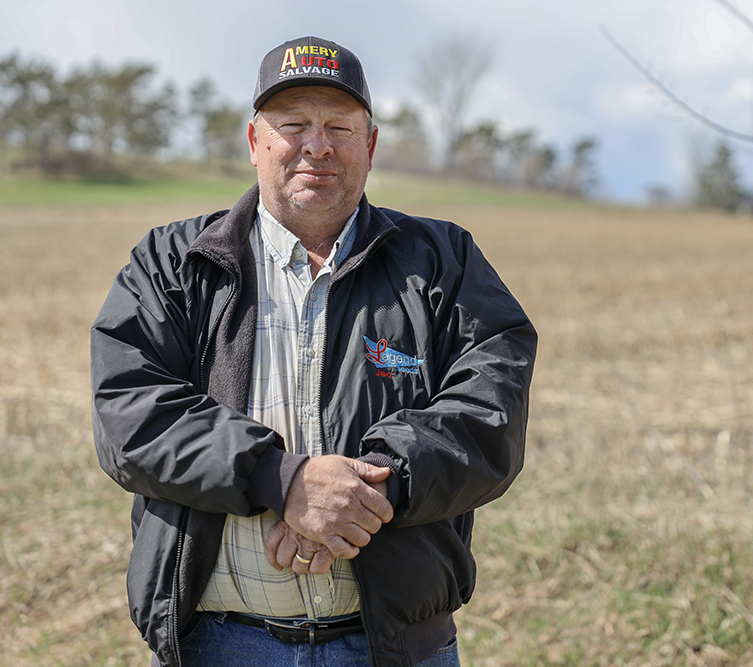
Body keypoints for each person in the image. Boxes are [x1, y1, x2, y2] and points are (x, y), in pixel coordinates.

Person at [91, 35, 536, 667]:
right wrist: (282, 479)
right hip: (219, 643)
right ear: (254, 142)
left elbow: (492, 408)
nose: (317, 145)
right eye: (293, 124)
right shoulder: (172, 264)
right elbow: (128, 413)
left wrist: (365, 491)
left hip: (396, 648)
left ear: (371, 145)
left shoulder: (443, 262)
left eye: (339, 127)